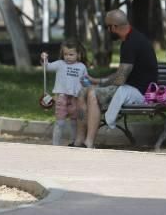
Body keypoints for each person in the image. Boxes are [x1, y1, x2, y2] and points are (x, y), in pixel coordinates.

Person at [72, 9, 158, 148]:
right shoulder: (127, 40)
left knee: (93, 94)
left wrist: (99, 85)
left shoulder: (132, 42)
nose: (107, 30)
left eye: (108, 27)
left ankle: (89, 142)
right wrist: (97, 81)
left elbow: (120, 79)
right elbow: (121, 74)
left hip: (138, 92)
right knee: (83, 92)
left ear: (114, 27)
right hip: (127, 87)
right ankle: (79, 139)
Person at [40, 40, 89, 146]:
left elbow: (85, 81)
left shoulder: (82, 67)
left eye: (71, 54)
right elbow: (47, 67)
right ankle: (55, 144)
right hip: (61, 98)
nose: (68, 57)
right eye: (65, 54)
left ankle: (74, 142)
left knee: (74, 122)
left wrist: (87, 88)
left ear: (78, 54)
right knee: (59, 122)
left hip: (75, 99)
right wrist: (44, 59)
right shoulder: (60, 64)